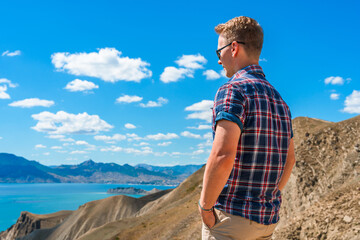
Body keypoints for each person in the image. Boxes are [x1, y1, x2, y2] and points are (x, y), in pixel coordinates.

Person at [198, 16, 296, 240]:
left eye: (218, 52)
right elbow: (289, 161)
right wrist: (267, 198)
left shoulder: (233, 90)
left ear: (233, 48)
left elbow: (222, 155)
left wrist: (205, 208)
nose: (218, 60)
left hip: (231, 220)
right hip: (266, 221)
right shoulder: (280, 101)